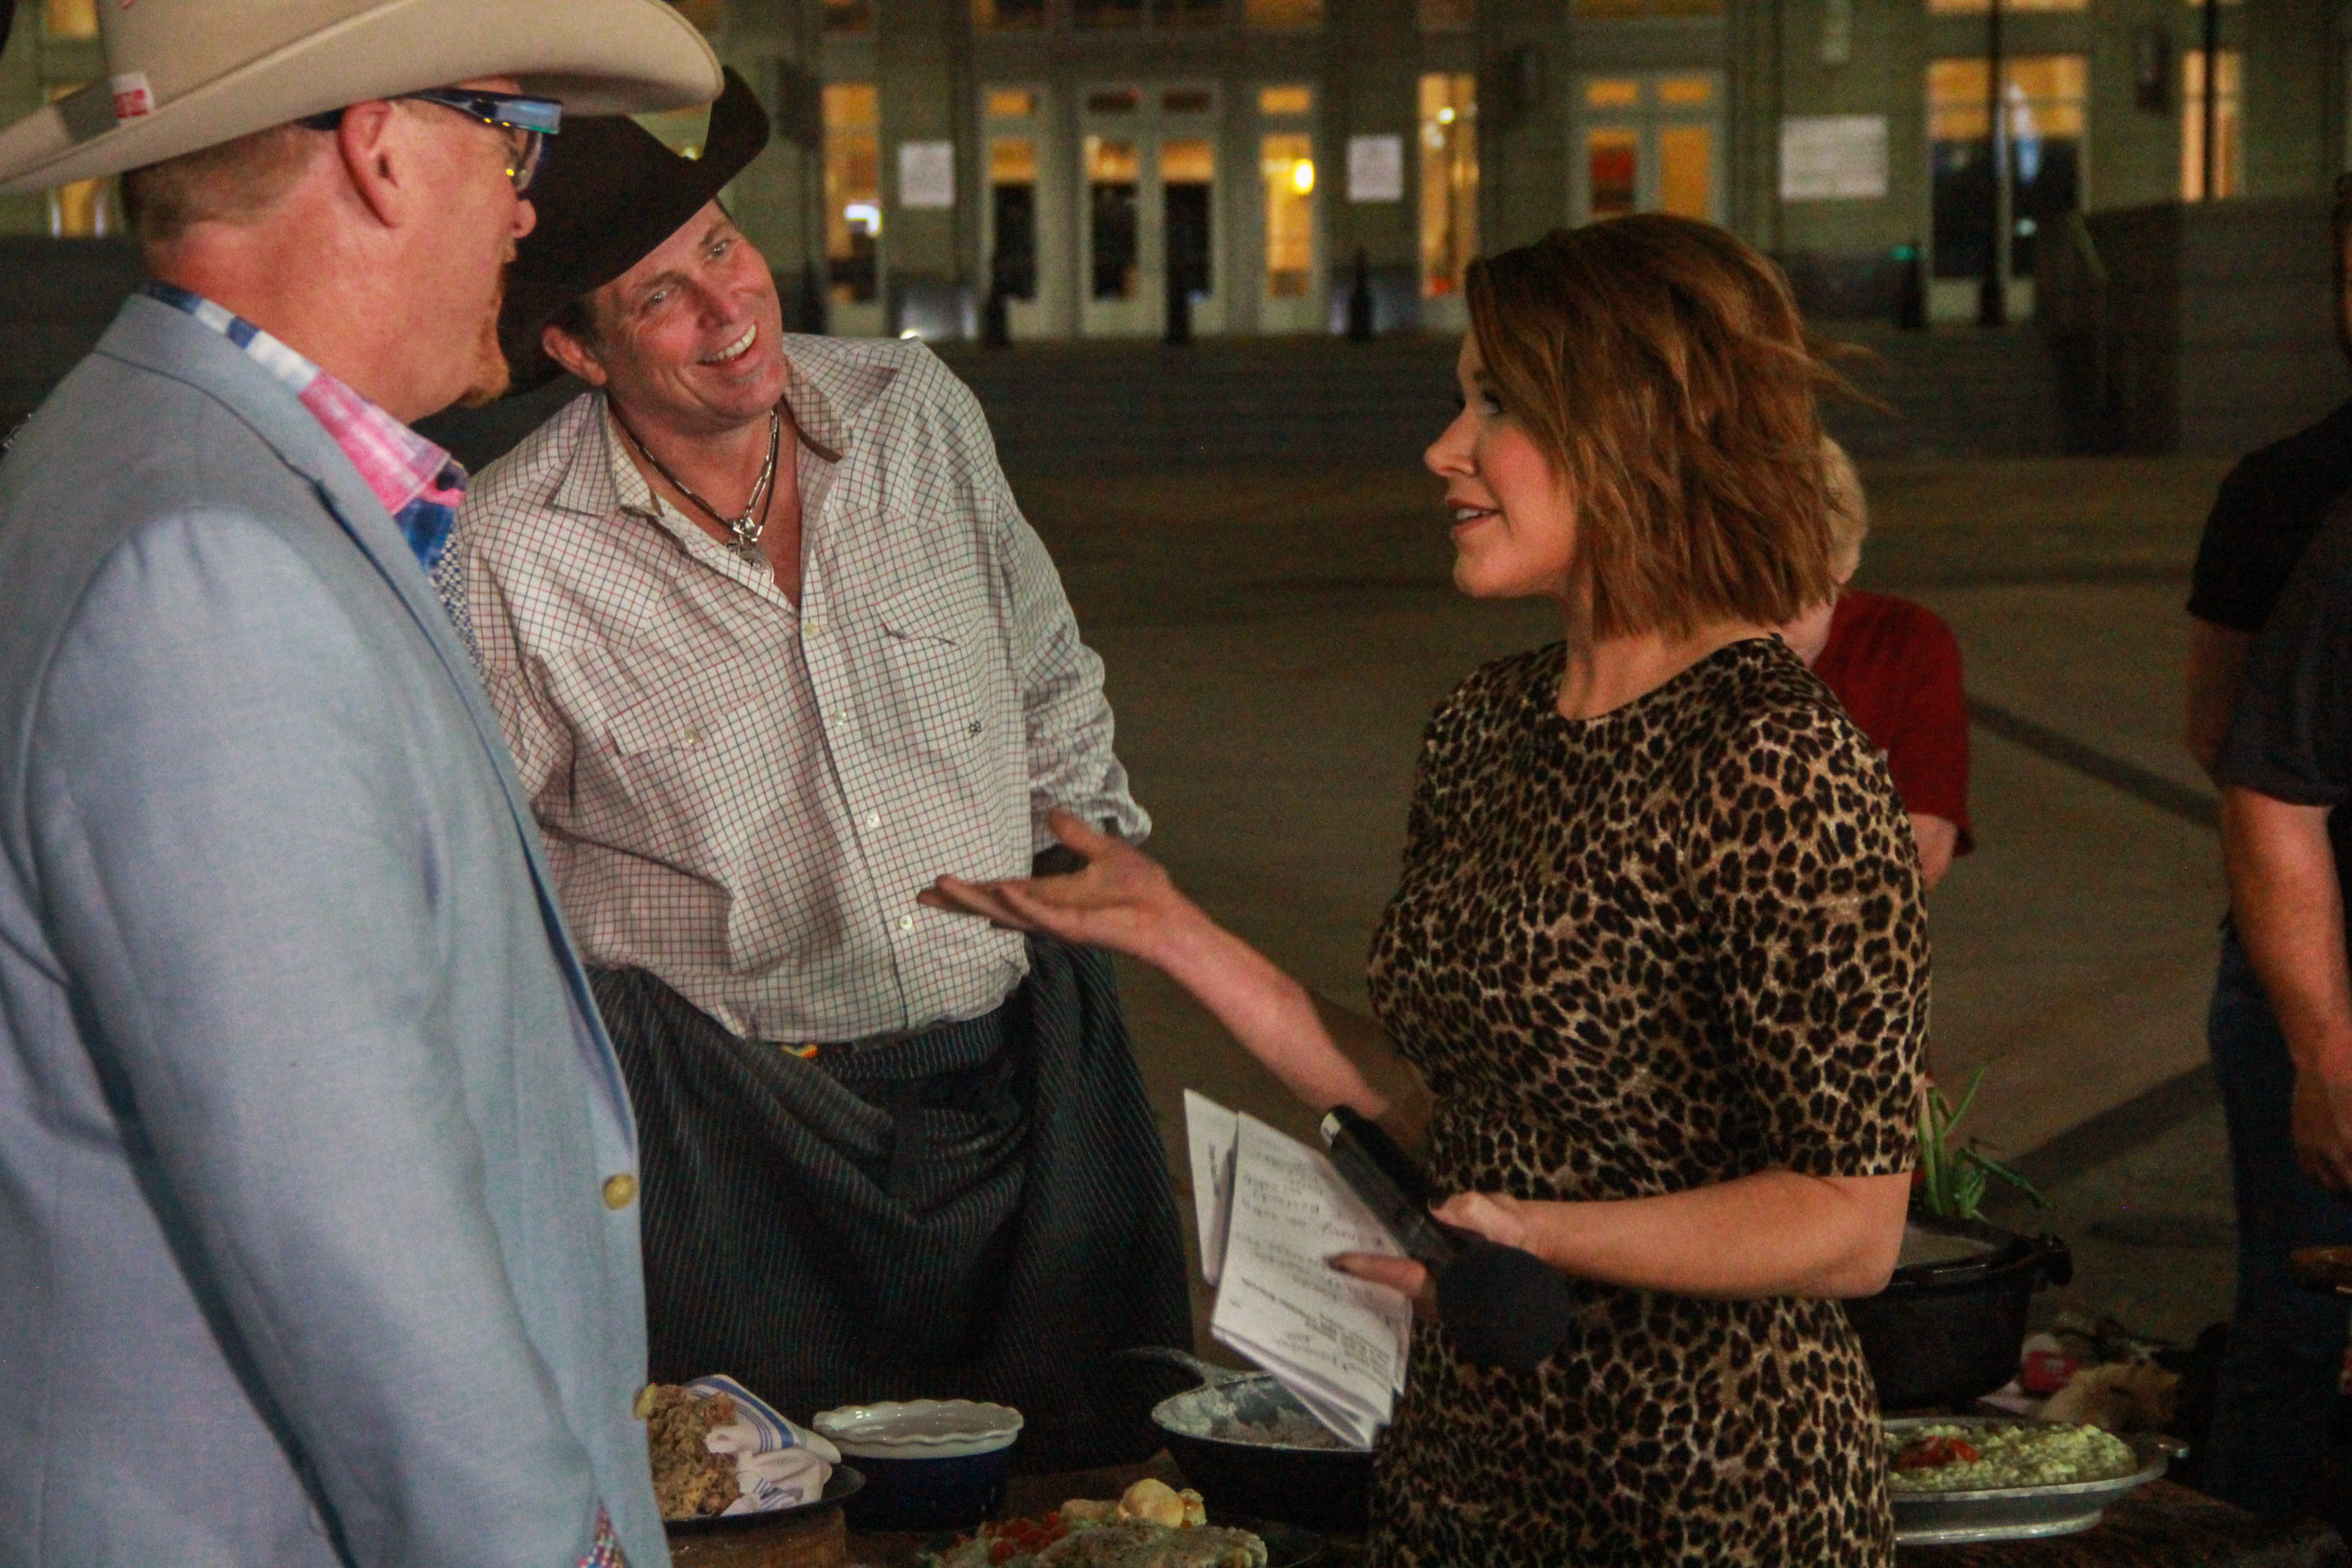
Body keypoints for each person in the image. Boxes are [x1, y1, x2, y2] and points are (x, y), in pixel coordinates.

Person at [924, 216, 1927, 1566]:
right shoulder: (1486, 724)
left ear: (1628, 432)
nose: (1443, 448)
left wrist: (1527, 1235)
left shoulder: (1781, 761)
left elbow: (1848, 1221)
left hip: (1714, 1483)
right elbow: (1454, 1099)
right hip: (1467, 1453)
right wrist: (1178, 932)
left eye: (1496, 404)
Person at [0, 5, 721, 1566]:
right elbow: (365, 1269)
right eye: (512, 139)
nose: (530, 207)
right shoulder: (209, 571)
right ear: (383, 149)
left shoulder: (145, 470)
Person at [455, 80, 1188, 1468]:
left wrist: (1087, 855)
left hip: (1021, 1068)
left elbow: (1045, 666)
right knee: (774, 1495)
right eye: (660, 296)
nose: (728, 310)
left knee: (1078, 1484)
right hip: (736, 1138)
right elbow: (487, 882)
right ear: (577, 345)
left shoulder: (917, 413)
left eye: (724, 248)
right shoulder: (509, 555)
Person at [2189, 170, 2352, 1518]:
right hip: (2309, 972)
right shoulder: (2288, 494)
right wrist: (2323, 1041)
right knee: (2297, 1316)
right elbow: (2240, 755)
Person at [1780, 440, 1973, 887]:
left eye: (1797, 592)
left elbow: (1923, 853)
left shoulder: (1905, 644)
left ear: (1844, 567)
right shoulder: (1668, 650)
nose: (1768, 627)